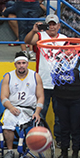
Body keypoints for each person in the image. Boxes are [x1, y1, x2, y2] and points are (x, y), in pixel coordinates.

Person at [25, 14, 67, 146]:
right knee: (40, 112)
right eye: (50, 24)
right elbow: (28, 41)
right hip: (43, 81)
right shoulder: (40, 36)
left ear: (59, 26)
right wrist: (33, 30)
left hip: (59, 82)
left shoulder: (64, 39)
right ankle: (39, 138)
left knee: (59, 114)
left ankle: (59, 139)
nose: (52, 26)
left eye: (54, 24)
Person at [0, 52, 43, 158]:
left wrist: (37, 112)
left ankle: (24, 147)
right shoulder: (8, 77)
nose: (21, 65)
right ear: (15, 64)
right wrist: (11, 107)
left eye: (23, 63)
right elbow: (3, 97)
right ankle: (10, 151)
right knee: (7, 123)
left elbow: (41, 96)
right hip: (13, 108)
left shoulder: (35, 76)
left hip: (29, 109)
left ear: (27, 63)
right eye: (19, 63)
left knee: (26, 125)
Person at [52, 47, 80, 158]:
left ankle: (75, 153)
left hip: (76, 101)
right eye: (67, 49)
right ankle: (64, 153)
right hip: (61, 100)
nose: (69, 51)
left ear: (76, 51)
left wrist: (79, 93)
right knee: (63, 127)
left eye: (72, 49)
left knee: (75, 127)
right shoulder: (58, 64)